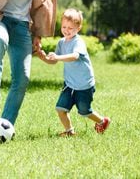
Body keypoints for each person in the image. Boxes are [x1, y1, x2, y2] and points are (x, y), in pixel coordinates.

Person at [38, 8, 110, 136]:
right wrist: (45, 58)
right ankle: (69, 132)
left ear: (78, 28)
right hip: (69, 84)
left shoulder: (78, 42)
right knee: (60, 109)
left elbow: (75, 56)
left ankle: (102, 121)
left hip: (84, 85)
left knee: (84, 111)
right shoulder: (61, 43)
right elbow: (54, 61)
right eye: (64, 27)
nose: (66, 30)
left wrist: (58, 57)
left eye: (70, 28)